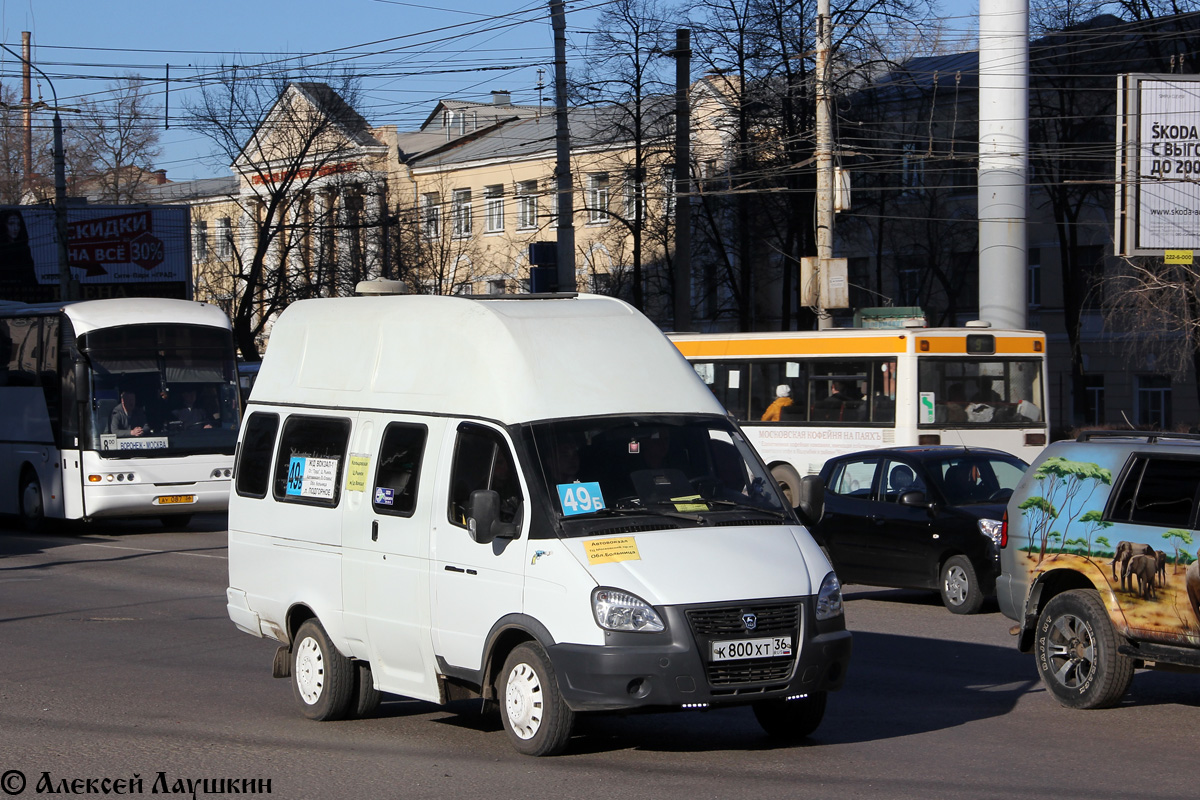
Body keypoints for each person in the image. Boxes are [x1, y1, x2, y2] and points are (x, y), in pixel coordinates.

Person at [0, 209, 37, 300]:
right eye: (11, 224)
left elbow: (31, 278)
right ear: (4, 225)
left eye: (18, 224)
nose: (16, 228)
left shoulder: (24, 250)